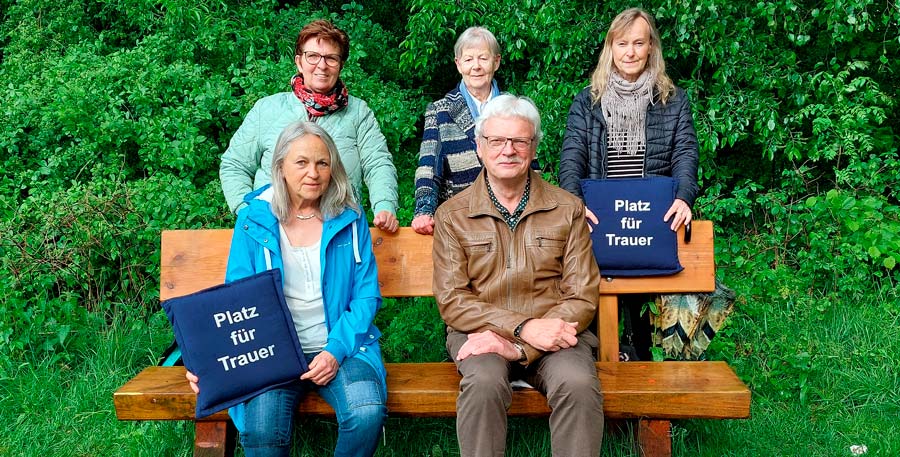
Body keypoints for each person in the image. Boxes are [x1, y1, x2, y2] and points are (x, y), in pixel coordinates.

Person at [188, 121, 387, 457]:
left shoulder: (350, 218)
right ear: (279, 166)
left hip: (342, 346)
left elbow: (366, 296)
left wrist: (335, 350)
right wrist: (207, 361)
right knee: (262, 430)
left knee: (366, 411)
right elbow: (234, 300)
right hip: (273, 355)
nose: (314, 173)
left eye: (323, 163)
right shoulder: (254, 219)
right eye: (302, 162)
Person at [433, 94, 604, 456]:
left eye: (519, 141)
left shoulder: (567, 208)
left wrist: (519, 344)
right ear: (480, 147)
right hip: (480, 335)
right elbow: (453, 301)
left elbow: (582, 296)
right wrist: (523, 329)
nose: (507, 150)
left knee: (577, 382)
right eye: (497, 140)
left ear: (533, 146)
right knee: (482, 382)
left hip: (557, 333)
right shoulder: (452, 215)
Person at [558, 7, 699, 361]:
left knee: (642, 317)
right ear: (611, 47)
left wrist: (684, 197)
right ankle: (596, 374)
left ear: (651, 47)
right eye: (623, 43)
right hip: (600, 220)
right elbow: (571, 157)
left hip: (649, 220)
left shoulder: (673, 100)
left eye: (639, 43)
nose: (631, 52)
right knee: (593, 315)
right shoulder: (587, 100)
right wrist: (575, 201)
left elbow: (685, 153)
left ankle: (643, 374)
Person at [220, 19, 399, 233]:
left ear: (340, 65)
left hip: (338, 229)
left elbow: (378, 163)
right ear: (299, 61)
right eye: (312, 56)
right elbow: (234, 164)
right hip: (273, 229)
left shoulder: (358, 113)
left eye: (331, 58)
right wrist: (246, 212)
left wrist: (384, 206)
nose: (321, 65)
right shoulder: (267, 109)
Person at [411, 27, 502, 235]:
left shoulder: (512, 108)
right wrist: (424, 210)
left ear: (496, 62)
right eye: (468, 59)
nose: (476, 67)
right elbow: (428, 166)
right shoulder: (440, 109)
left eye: (483, 58)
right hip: (461, 222)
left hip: (508, 220)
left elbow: (530, 167)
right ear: (458, 64)